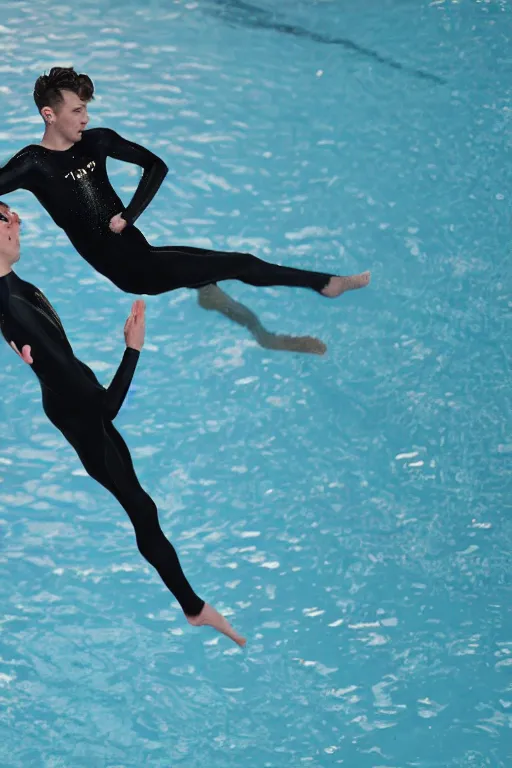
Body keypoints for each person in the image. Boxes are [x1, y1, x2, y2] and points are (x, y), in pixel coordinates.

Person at [0, 200, 246, 647]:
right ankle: (193, 609)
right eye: (4, 218)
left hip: (70, 399)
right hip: (82, 413)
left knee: (140, 501)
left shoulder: (14, 289)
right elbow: (105, 408)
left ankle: (192, 607)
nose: (16, 220)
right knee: (140, 508)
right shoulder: (17, 308)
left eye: (11, 211)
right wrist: (133, 348)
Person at [0, 67, 370, 354]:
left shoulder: (98, 141)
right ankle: (325, 284)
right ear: (49, 114)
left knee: (208, 275)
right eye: (77, 110)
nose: (85, 118)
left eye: (86, 109)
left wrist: (129, 215)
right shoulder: (35, 163)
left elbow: (156, 166)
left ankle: (259, 332)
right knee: (240, 262)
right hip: (134, 271)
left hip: (144, 253)